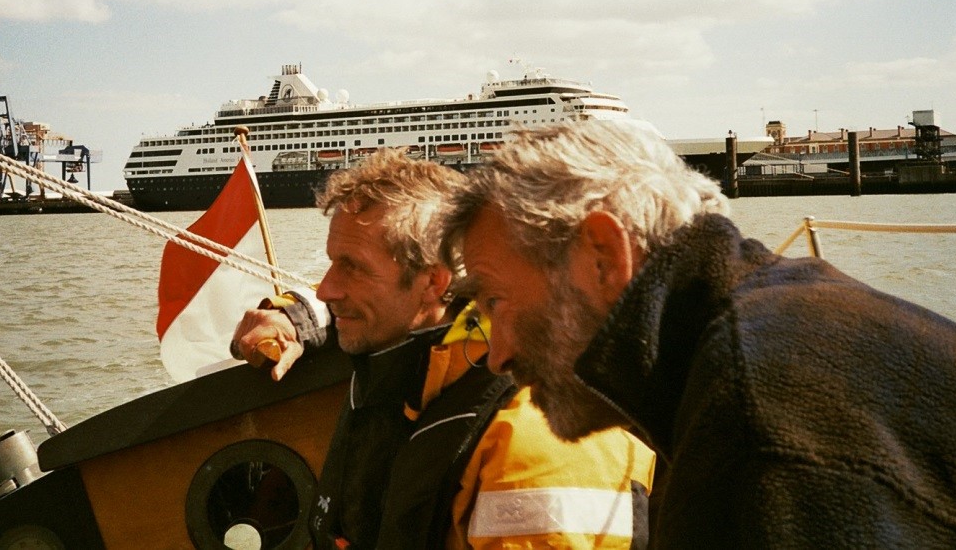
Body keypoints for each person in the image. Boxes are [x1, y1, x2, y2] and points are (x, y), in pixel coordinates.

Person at [439, 120, 956, 549]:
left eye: (496, 300)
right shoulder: (780, 313)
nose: (495, 354)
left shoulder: (757, 418)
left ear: (604, 255)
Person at [231, 149, 655, 550]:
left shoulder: (541, 439)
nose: (327, 288)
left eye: (353, 267)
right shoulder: (401, 366)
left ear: (434, 282)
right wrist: (298, 315)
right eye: (332, 262)